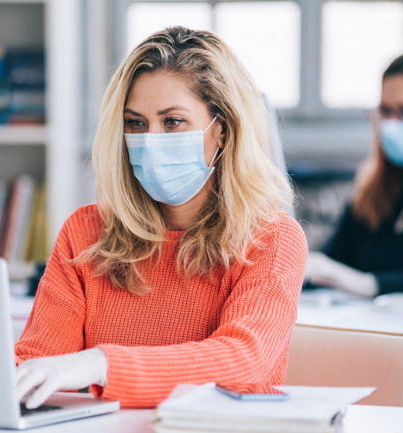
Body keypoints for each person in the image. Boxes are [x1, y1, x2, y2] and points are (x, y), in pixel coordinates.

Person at [15, 27, 308, 410]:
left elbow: (243, 362)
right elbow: (38, 363)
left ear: (221, 130)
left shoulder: (273, 239)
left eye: (172, 122)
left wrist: (100, 364)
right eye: (136, 123)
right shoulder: (86, 233)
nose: (150, 139)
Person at [305, 49, 403, 298]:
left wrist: (371, 285)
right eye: (385, 111)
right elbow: (332, 263)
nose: (391, 124)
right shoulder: (373, 194)